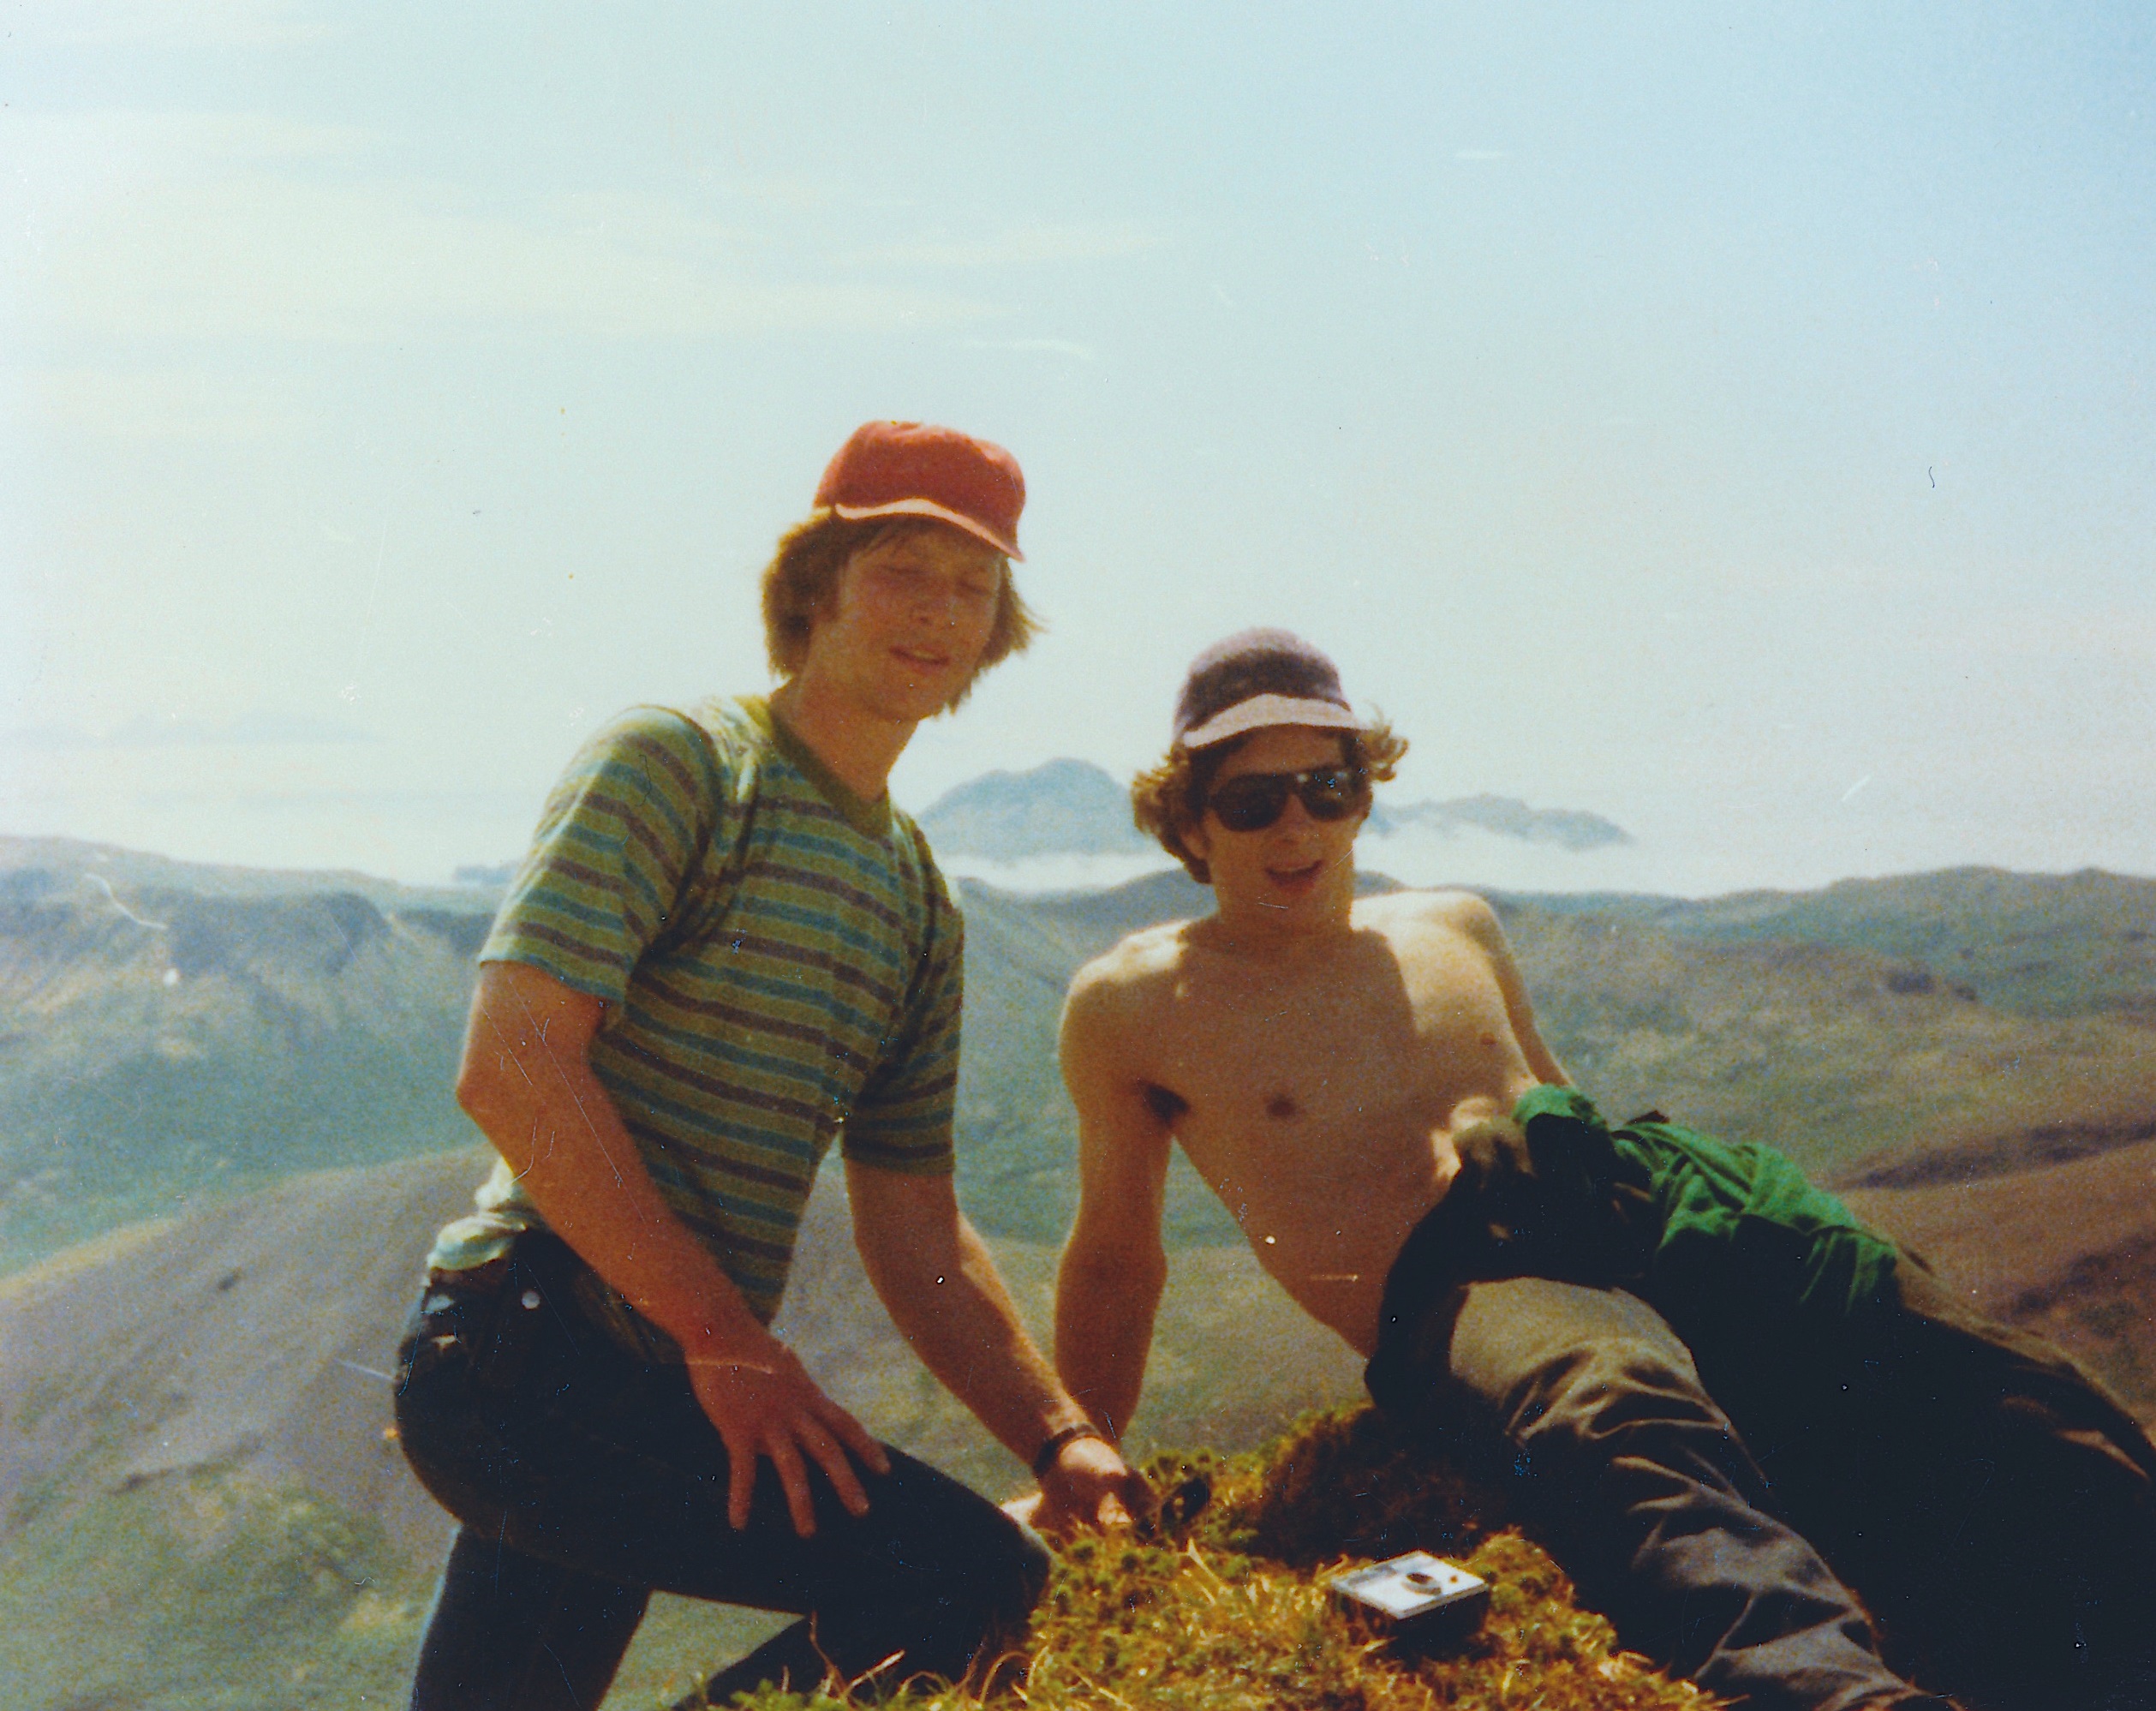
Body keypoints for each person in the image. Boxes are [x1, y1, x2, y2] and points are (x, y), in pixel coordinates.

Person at [1046, 627, 2156, 1711]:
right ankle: (1827, 1689)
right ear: (1189, 820)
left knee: (1950, 1351)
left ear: (1362, 795)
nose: (1297, 824)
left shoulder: (1453, 924)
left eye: (1325, 787)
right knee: (1609, 1394)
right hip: (1460, 1285)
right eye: (1252, 799)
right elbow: (1114, 1255)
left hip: (1619, 1205)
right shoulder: (1134, 1004)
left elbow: (1558, 1094)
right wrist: (1080, 1450)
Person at [393, 421, 1150, 1711]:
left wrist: (1058, 1435)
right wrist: (724, 1337)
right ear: (815, 587)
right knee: (964, 1579)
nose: (940, 612)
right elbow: (511, 1063)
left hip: (643, 1381)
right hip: (531, 1352)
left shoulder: (917, 901)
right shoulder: (682, 763)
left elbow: (914, 1226)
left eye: (974, 587)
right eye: (902, 570)